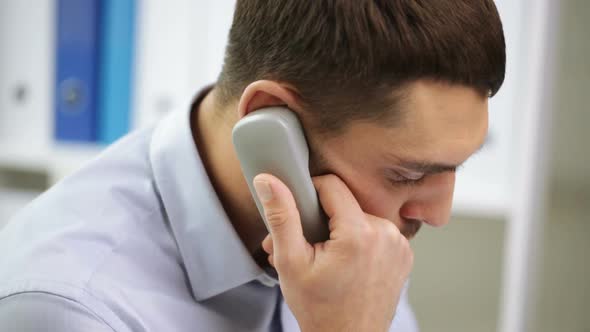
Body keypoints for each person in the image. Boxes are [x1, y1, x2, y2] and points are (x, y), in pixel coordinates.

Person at [0, 0, 505, 331]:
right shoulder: (71, 308)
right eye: (410, 174)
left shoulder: (359, 238)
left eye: (452, 168)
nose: (437, 213)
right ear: (270, 122)